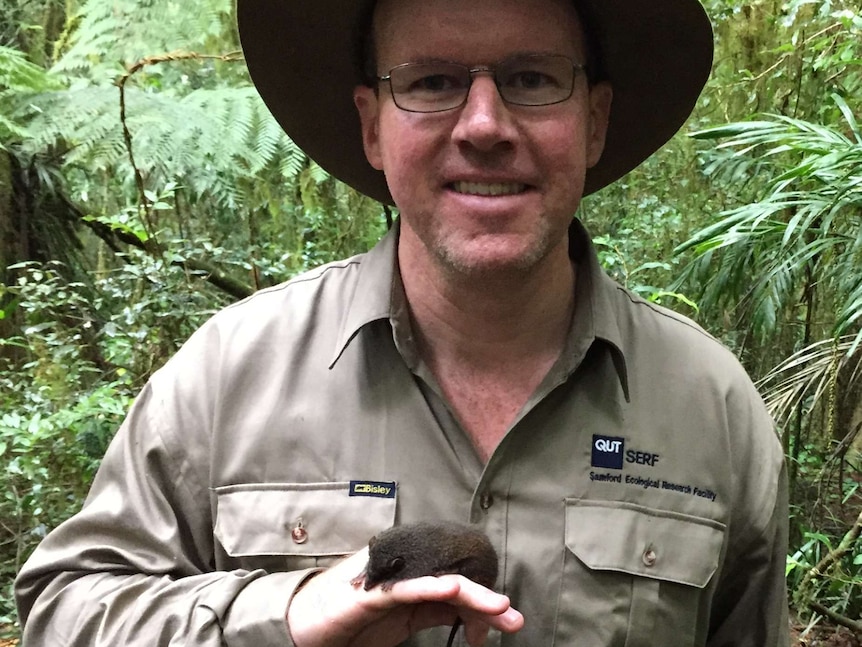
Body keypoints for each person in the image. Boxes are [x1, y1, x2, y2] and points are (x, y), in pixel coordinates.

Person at [15, 0, 790, 644]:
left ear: (593, 119)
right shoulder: (230, 374)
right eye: (431, 81)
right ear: (372, 126)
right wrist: (284, 612)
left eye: (531, 78)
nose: (484, 125)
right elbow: (64, 609)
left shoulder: (710, 408)